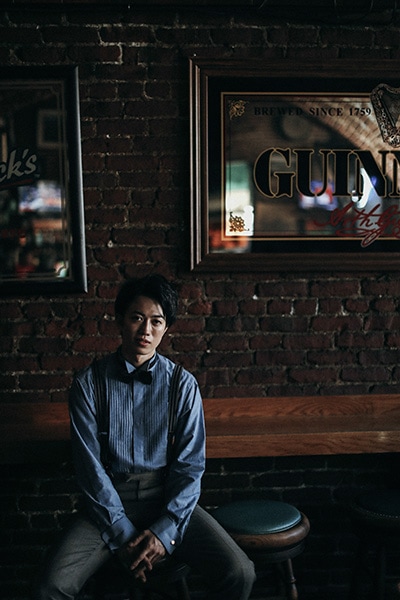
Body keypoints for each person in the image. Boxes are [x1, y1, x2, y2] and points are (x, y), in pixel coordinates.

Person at [33, 274, 255, 600]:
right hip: (107, 501)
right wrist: (123, 535)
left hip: (165, 496)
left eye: (156, 321)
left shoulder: (183, 385)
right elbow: (89, 469)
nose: (146, 330)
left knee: (240, 573)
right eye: (137, 318)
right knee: (50, 587)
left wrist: (165, 533)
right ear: (119, 320)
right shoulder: (88, 384)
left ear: (166, 328)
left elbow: (190, 466)